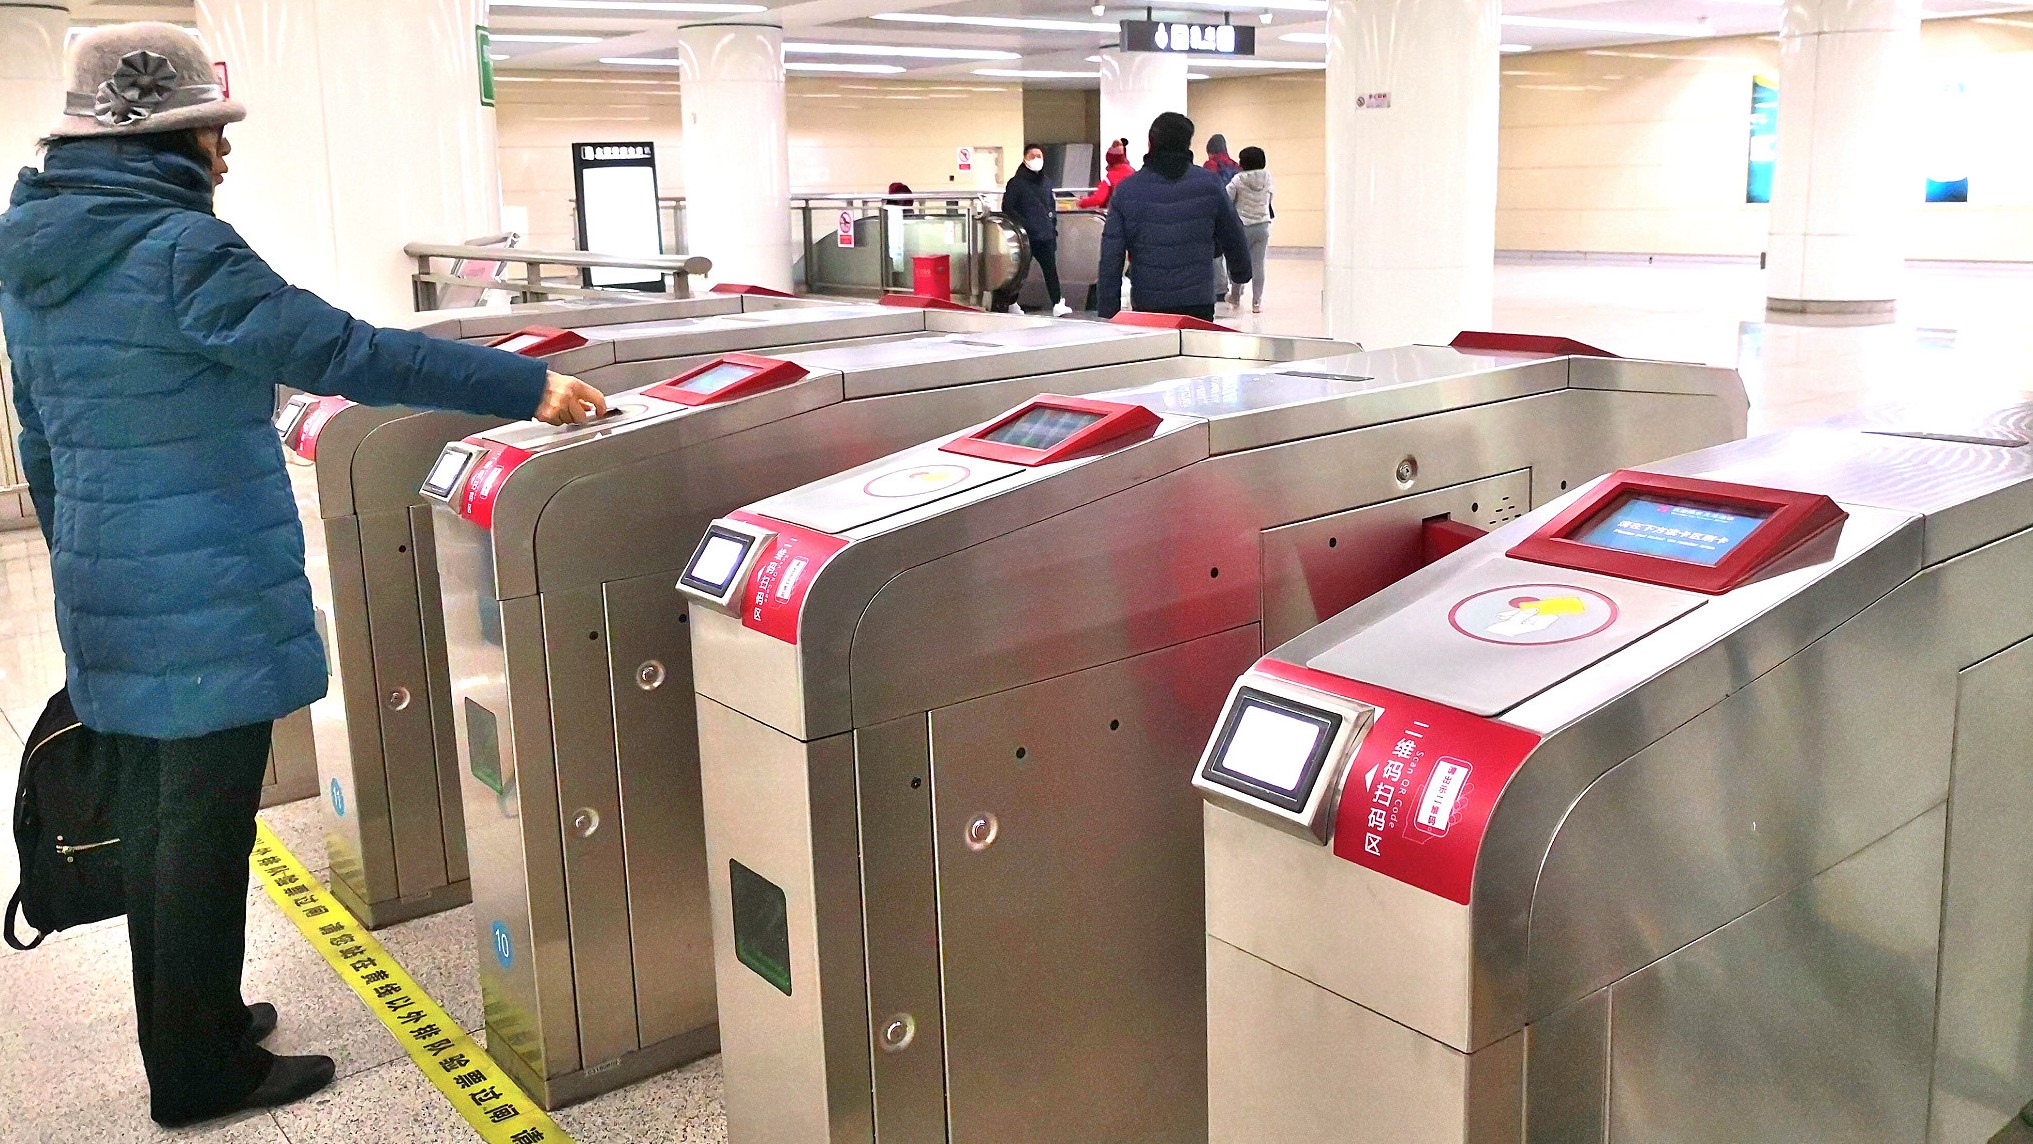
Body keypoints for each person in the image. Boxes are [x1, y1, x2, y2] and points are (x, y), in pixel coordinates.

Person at [0, 23, 607, 1129]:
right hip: (201, 596)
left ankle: (202, 1022)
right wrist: (521, 387)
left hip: (109, 581)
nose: (224, 159)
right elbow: (342, 350)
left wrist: (89, 550)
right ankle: (197, 1071)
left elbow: (37, 436)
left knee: (166, 824)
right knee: (198, 829)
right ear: (165, 141)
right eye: (210, 135)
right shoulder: (181, 251)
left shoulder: (36, 250)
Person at [1096, 112, 1252, 322]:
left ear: (1151, 143)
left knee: (1154, 354)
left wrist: (1108, 308)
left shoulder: (1127, 190)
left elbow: (1111, 254)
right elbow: (1233, 233)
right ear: (1187, 144)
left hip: (1149, 299)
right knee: (1196, 353)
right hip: (1198, 299)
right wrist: (1241, 273)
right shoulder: (1209, 184)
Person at [1001, 143, 1071, 316]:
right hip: (1026, 236)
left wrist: (1052, 227)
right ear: (1025, 159)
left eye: (1039, 156)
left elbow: (1050, 205)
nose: (1037, 160)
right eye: (1032, 156)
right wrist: (1023, 224)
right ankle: (1011, 302)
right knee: (1020, 272)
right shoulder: (1016, 183)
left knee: (1050, 271)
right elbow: (1008, 207)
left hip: (1045, 235)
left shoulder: (1046, 183)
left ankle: (1057, 302)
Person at [1226, 146, 1275, 314]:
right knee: (1259, 264)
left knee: (1239, 262)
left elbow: (1227, 198)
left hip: (1243, 226)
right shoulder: (1267, 177)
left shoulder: (1238, 179)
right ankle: (1257, 303)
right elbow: (1270, 197)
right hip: (1263, 225)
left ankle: (1235, 297)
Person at [1078, 138, 1134, 210]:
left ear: (1110, 160)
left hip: (1117, 215)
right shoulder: (1133, 172)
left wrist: (1082, 202)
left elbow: (1098, 199)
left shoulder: (1110, 177)